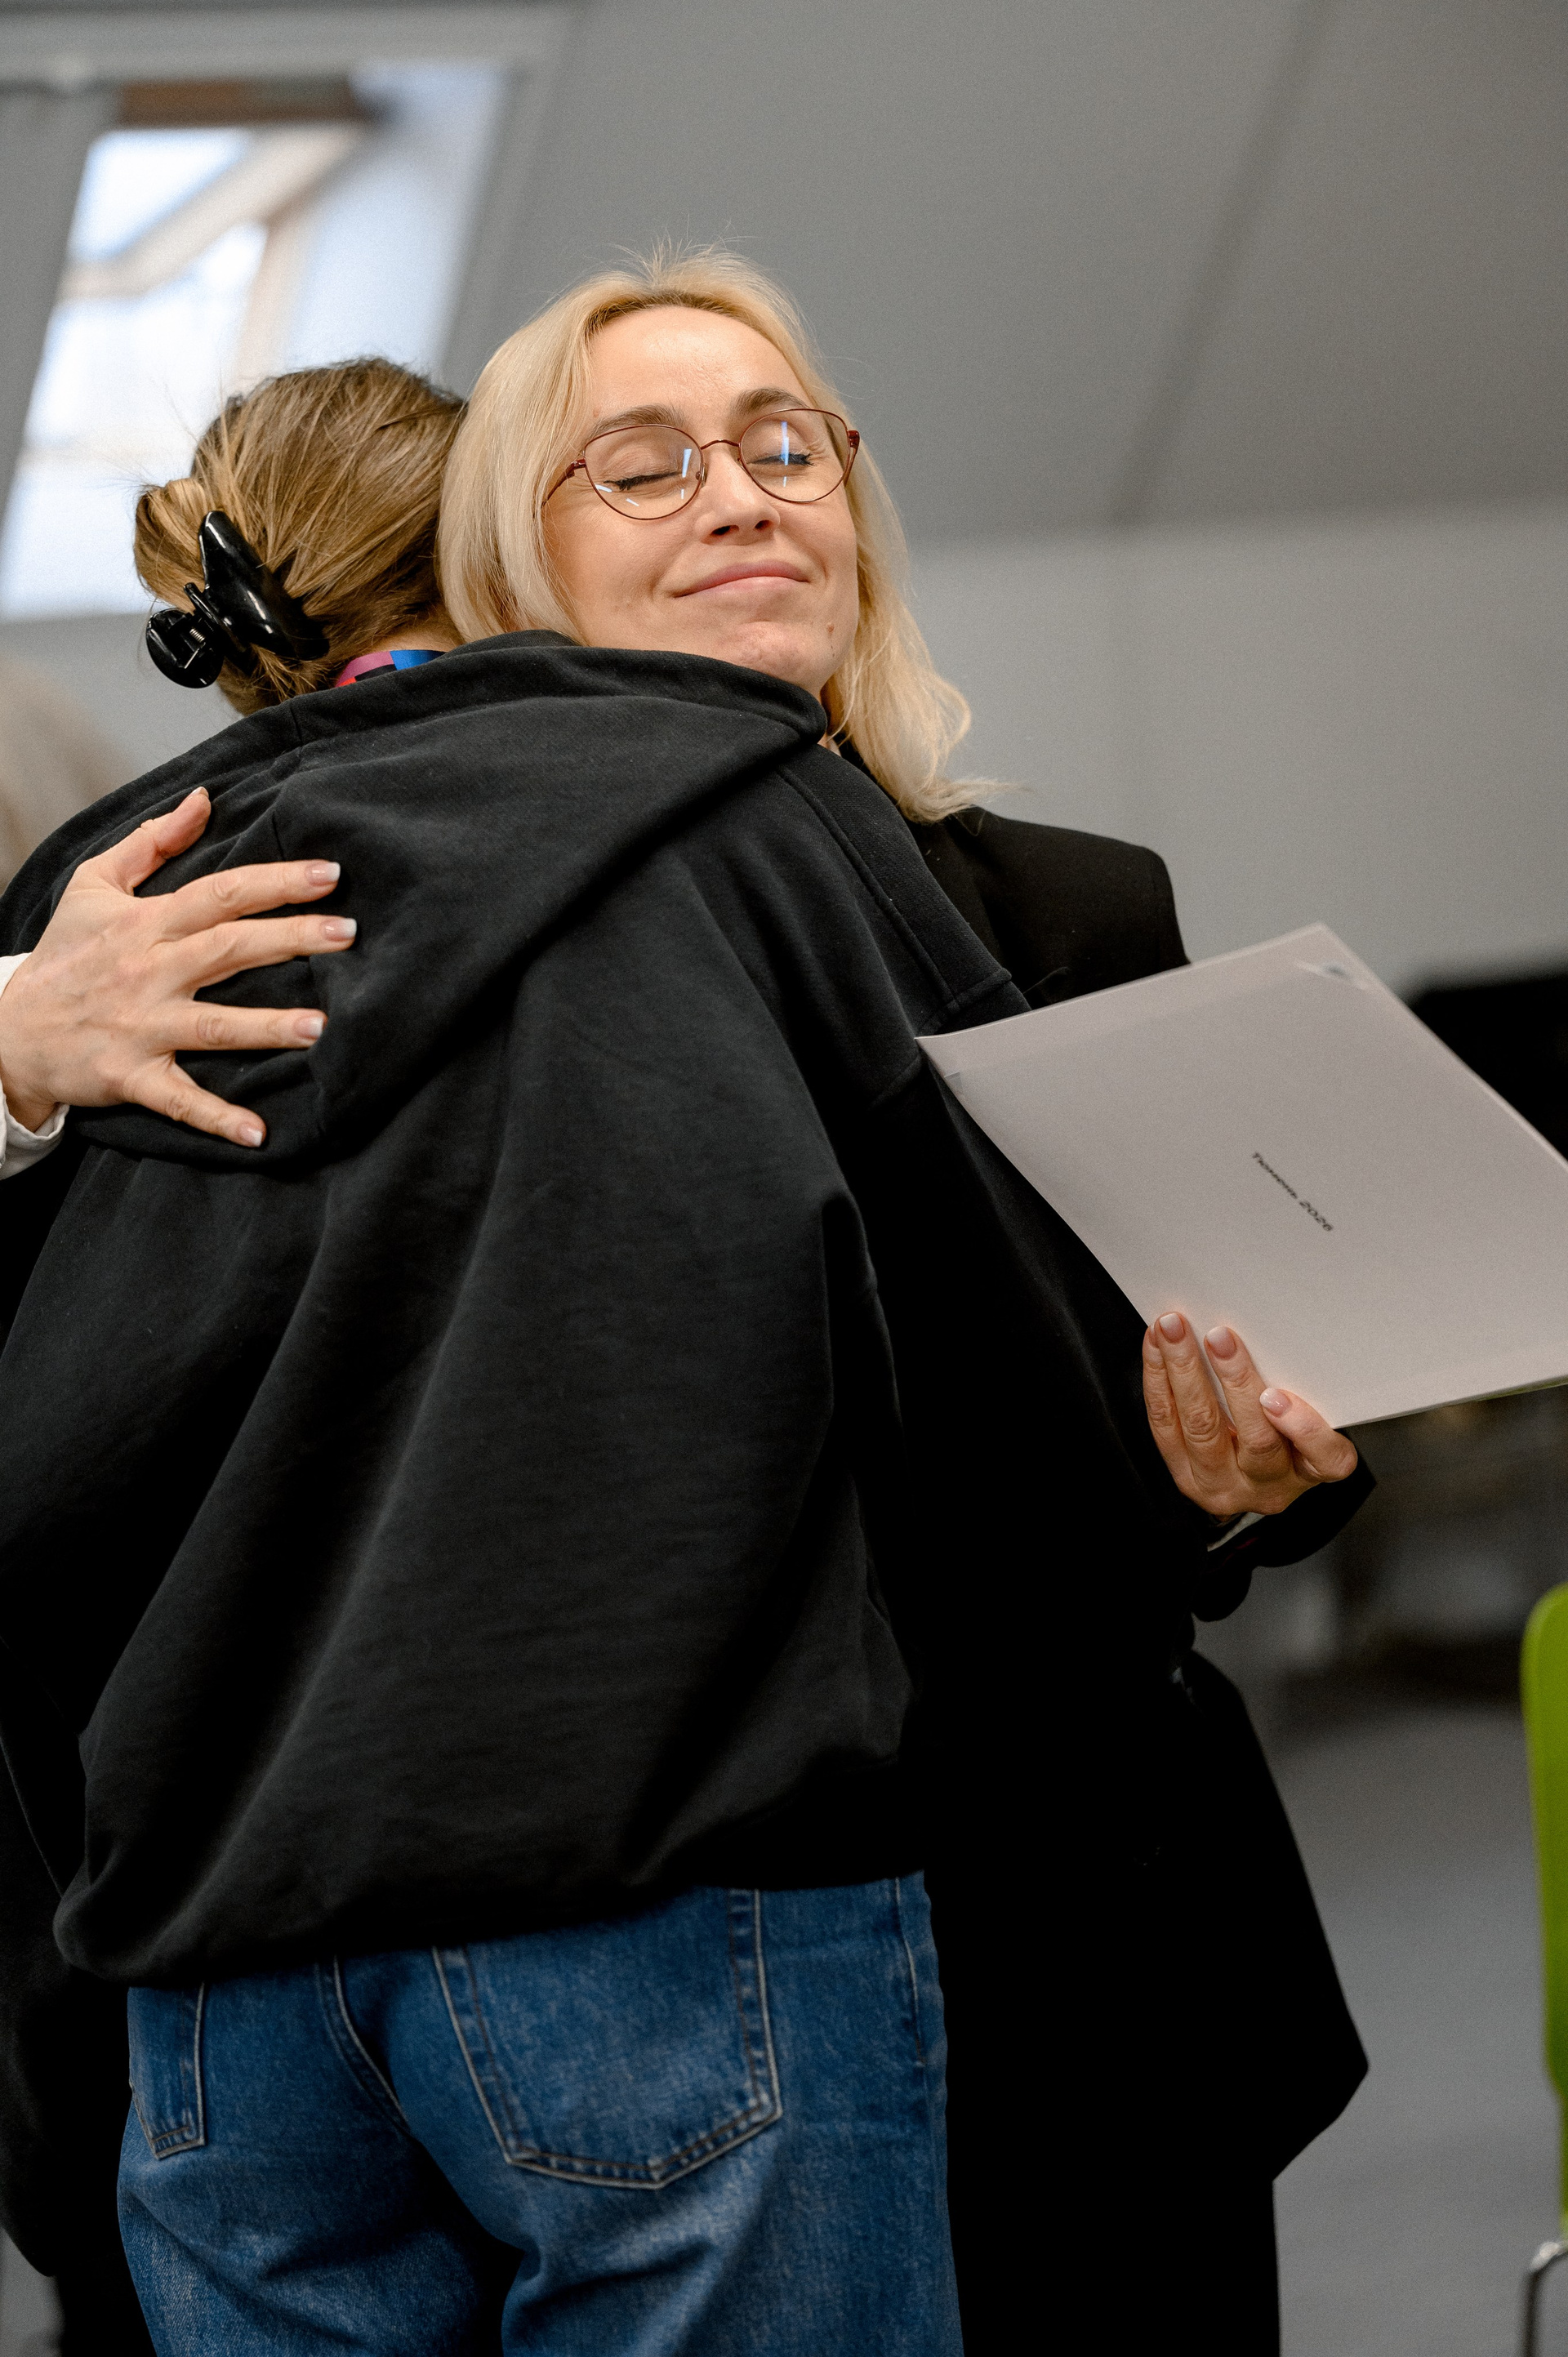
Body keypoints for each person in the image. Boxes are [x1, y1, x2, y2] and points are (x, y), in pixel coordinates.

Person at [0, 262, 1370, 2355]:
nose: (736, 499)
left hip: (288, 1935)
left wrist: (1214, 1486)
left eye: (782, 446)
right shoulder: (155, 943)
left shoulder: (146, 888)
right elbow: (1010, 1422)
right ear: (503, 555)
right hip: (688, 1910)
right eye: (638, 468)